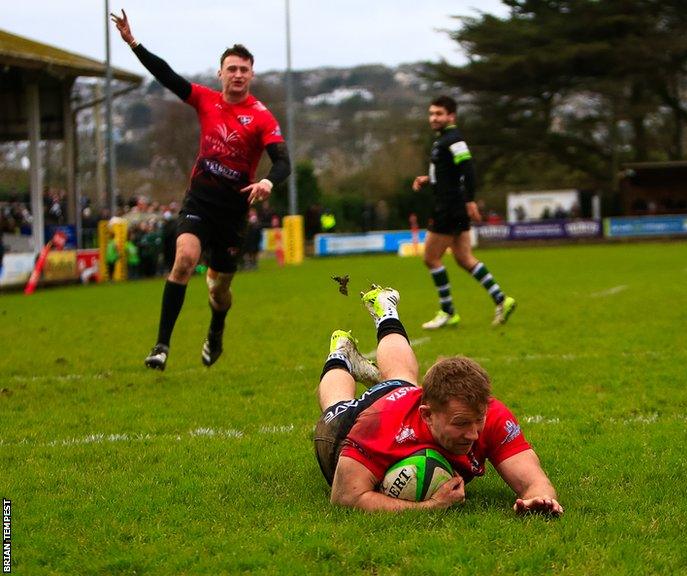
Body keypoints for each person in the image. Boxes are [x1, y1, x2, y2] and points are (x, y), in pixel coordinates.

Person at [111, 10, 291, 370]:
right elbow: (167, 76)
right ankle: (161, 345)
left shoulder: (261, 117)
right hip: (200, 203)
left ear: (251, 75)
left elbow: (283, 160)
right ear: (220, 73)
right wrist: (133, 42)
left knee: (219, 290)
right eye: (231, 68)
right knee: (184, 260)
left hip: (233, 212)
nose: (237, 75)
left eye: (244, 69)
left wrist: (269, 180)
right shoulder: (205, 100)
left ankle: (216, 330)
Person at [312, 284, 562, 514]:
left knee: (402, 376)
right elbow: (345, 497)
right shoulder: (379, 425)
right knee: (336, 404)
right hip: (349, 425)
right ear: (427, 414)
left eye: (478, 420)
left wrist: (539, 498)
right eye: (462, 423)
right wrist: (431, 506)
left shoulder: (490, 413)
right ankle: (339, 355)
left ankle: (386, 312)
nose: (474, 434)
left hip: (402, 396)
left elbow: (533, 479)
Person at [412, 96, 516, 329]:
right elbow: (450, 173)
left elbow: (467, 170)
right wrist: (429, 179)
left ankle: (448, 312)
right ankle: (502, 299)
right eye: (431, 113)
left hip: (449, 207)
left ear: (451, 116)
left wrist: (470, 201)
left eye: (439, 114)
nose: (433, 118)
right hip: (453, 204)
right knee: (464, 258)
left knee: (430, 258)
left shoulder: (454, 139)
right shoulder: (443, 140)